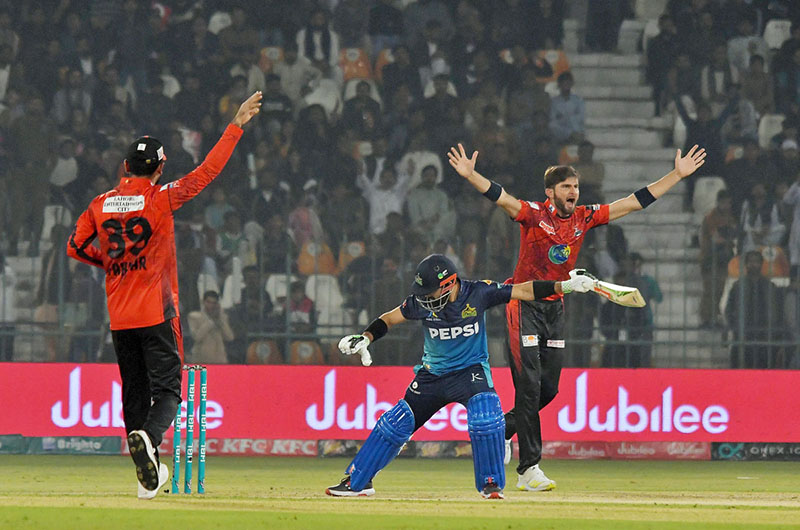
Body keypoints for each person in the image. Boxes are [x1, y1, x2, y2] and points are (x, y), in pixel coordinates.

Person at [447, 142, 706, 490]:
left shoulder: (585, 217)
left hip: (555, 307)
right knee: (528, 387)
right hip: (523, 304)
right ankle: (529, 470)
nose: (573, 192)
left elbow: (631, 202)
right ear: (550, 191)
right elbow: (501, 197)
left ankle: (499, 431)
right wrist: (470, 175)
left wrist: (677, 175)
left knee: (549, 390)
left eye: (576, 187)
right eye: (567, 187)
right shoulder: (534, 214)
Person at [66, 91, 262, 499]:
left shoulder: (99, 204)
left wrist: (114, 265)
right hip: (157, 310)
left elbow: (75, 246)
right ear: (158, 169)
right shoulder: (160, 198)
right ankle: (150, 442)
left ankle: (145, 478)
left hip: (119, 317)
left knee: (134, 392)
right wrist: (235, 126)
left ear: (125, 167)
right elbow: (206, 173)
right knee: (169, 390)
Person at [325, 254, 597, 499]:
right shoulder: (421, 304)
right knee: (395, 423)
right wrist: (366, 337)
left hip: (471, 373)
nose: (426, 299)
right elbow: (389, 318)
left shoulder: (479, 292)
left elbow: (524, 290)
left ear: (449, 284)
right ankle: (358, 481)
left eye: (431, 292)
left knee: (487, 418)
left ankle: (491, 485)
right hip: (432, 376)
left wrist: (565, 286)